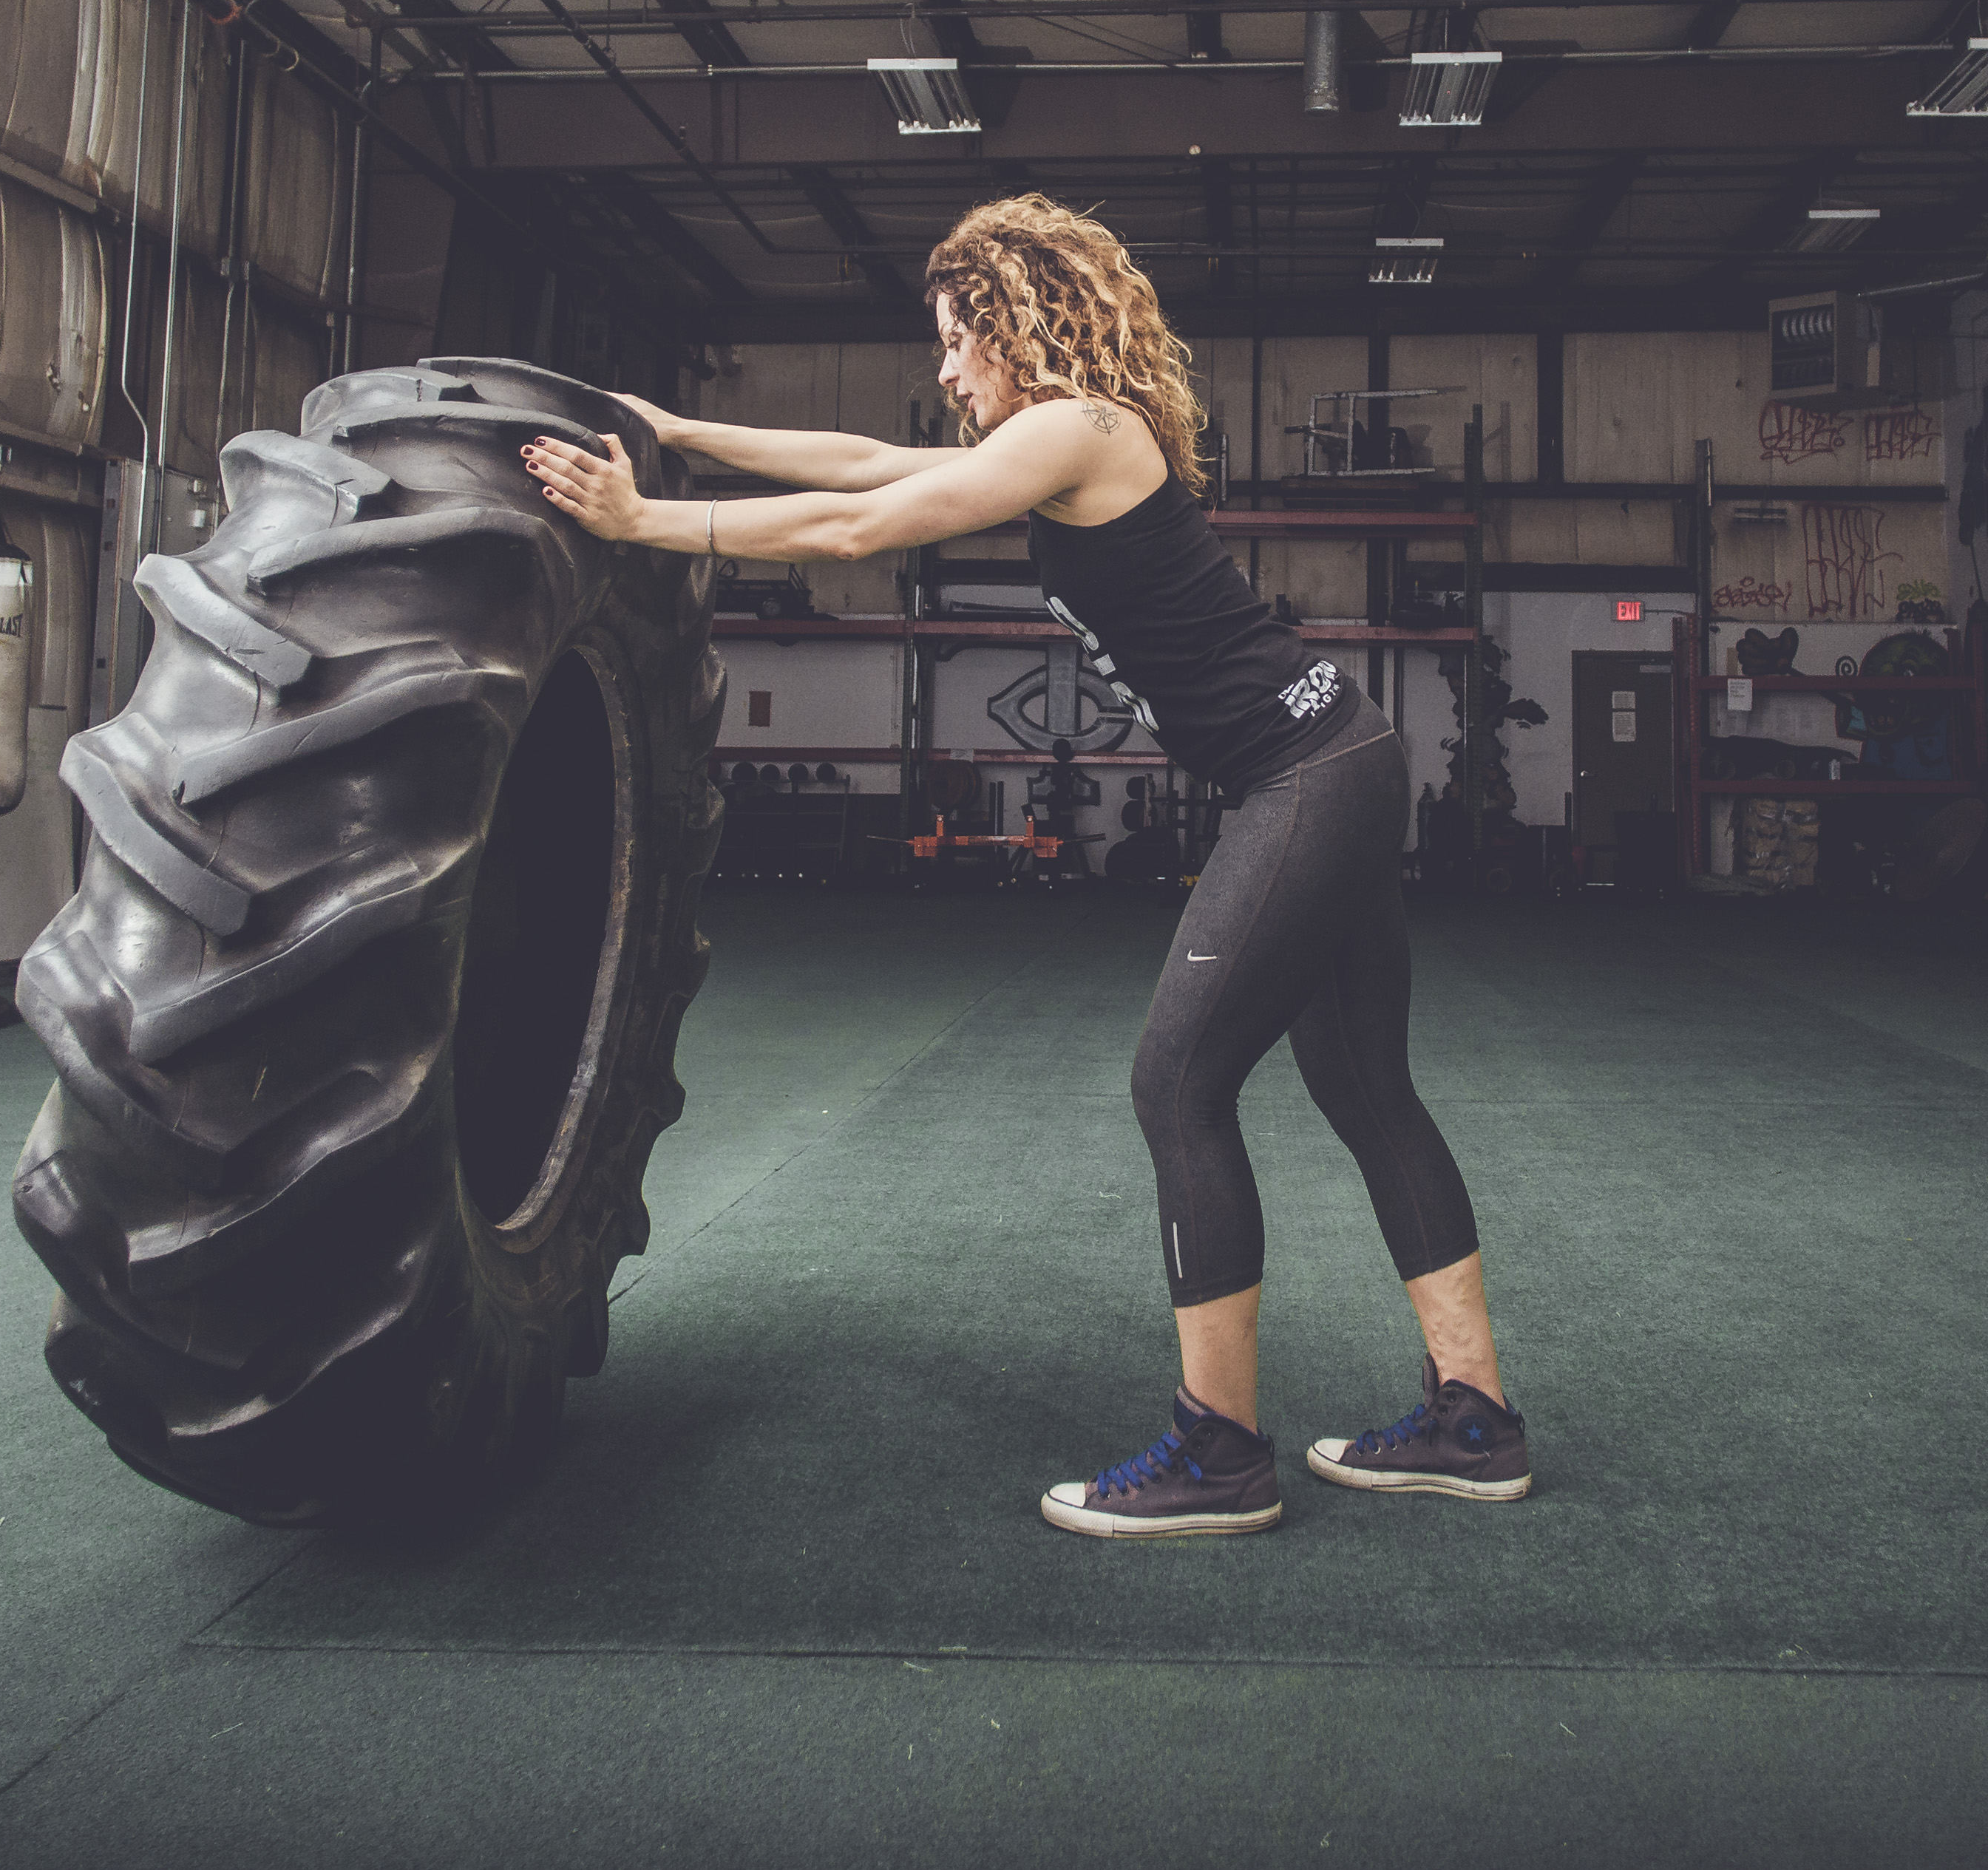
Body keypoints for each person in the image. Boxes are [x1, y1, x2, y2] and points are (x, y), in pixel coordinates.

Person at [521, 193, 1529, 1538]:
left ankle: (1219, 1452)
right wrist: (685, 429)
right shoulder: (1063, 440)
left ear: (1020, 322)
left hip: (1306, 775)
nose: (945, 370)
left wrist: (646, 521)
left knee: (1179, 1083)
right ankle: (1474, 1421)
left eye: (957, 338)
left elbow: (858, 530)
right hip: (1332, 761)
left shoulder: (1077, 430)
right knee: (1363, 1087)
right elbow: (863, 463)